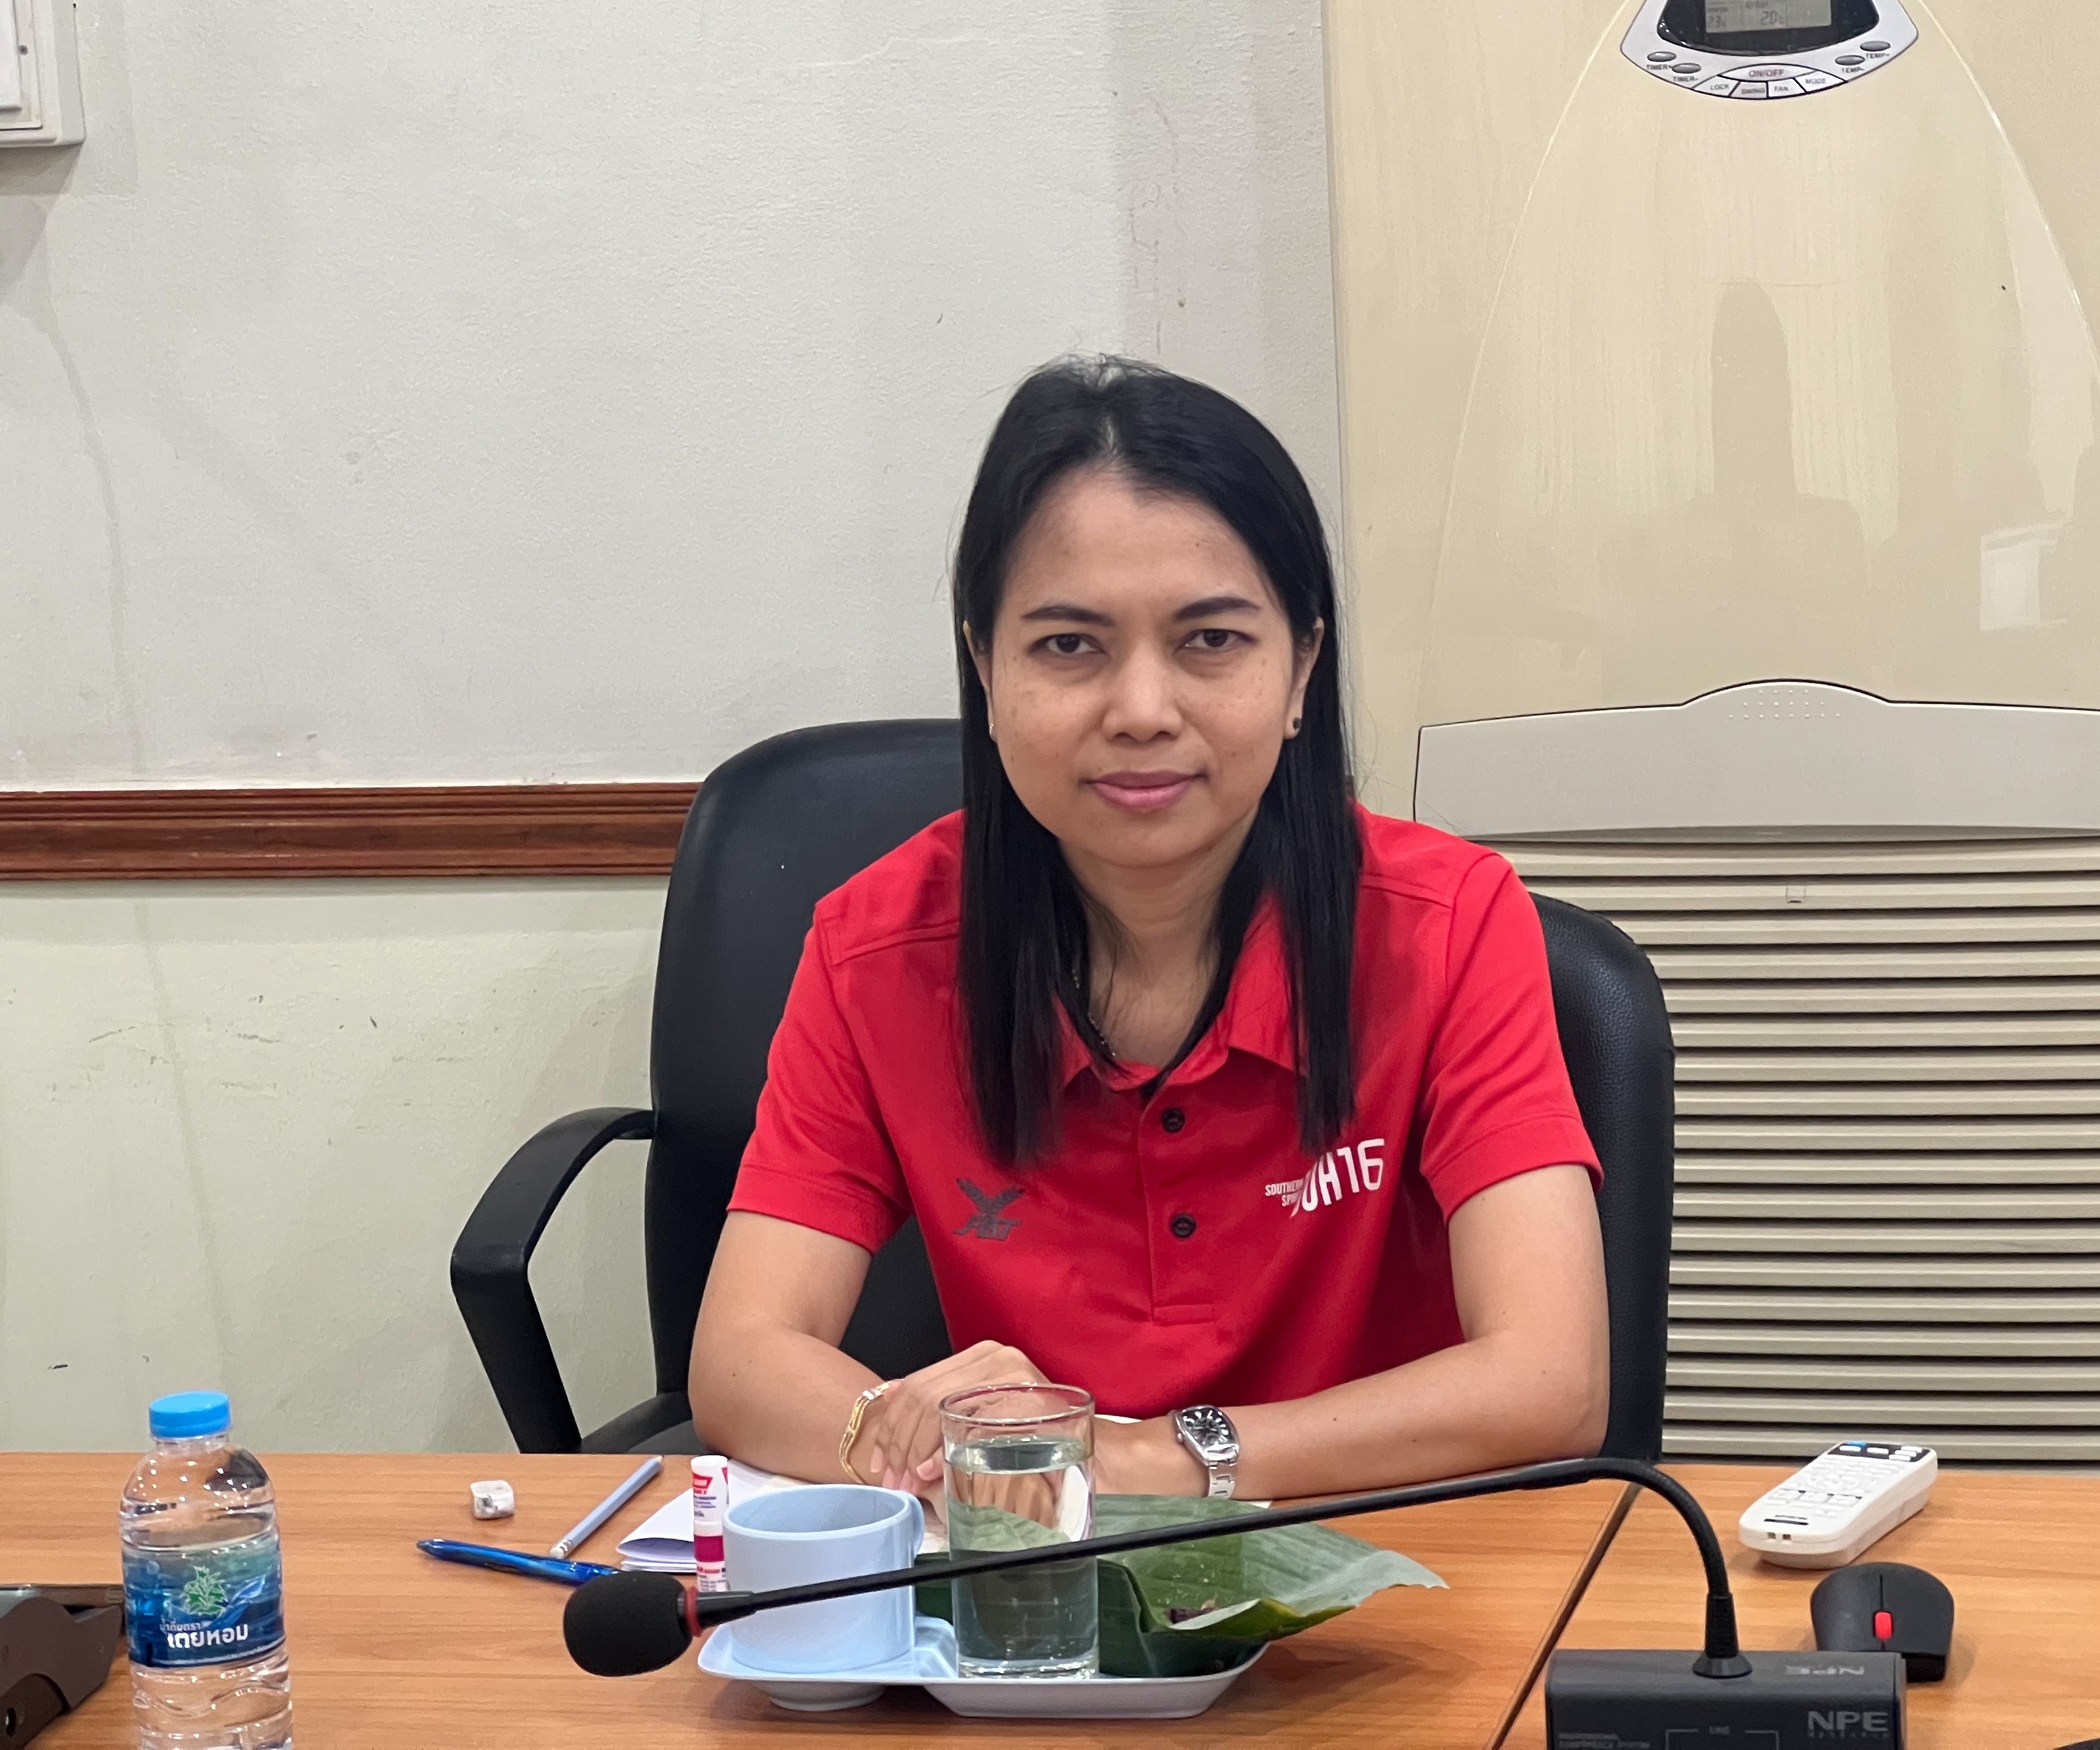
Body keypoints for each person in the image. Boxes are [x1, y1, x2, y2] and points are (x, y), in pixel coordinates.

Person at [687, 356, 1608, 1503]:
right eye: (1069, 646)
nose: (1140, 710)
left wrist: (1135, 1458)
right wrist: (916, 1431)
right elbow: (740, 1359)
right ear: (985, 667)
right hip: (1035, 1579)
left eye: (1210, 640)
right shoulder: (876, 949)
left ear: (1302, 669)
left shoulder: (1449, 925)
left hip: (1389, 1562)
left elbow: (1550, 1381)